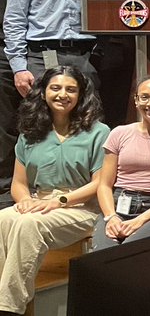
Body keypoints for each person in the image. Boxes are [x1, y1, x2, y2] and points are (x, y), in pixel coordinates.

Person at [0, 66, 108, 316]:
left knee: (29, 225)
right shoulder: (29, 132)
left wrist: (59, 201)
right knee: (4, 218)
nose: (63, 94)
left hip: (80, 208)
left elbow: (99, 184)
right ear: (44, 92)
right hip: (39, 202)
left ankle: (9, 308)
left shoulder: (98, 132)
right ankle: (9, 298)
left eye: (71, 89)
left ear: (81, 95)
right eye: (56, 88)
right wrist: (26, 200)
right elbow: (18, 183)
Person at [92, 74, 150, 250]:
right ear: (136, 101)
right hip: (118, 205)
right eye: (144, 97)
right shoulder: (119, 133)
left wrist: (141, 220)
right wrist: (111, 217)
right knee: (101, 256)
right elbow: (104, 184)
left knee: (131, 253)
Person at [0, 0, 43, 209]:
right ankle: (5, 193)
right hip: (3, 46)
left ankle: (32, 187)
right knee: (5, 123)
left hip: (37, 46)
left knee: (34, 120)